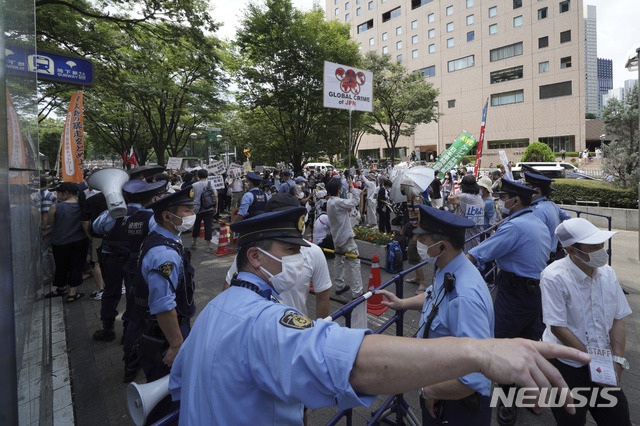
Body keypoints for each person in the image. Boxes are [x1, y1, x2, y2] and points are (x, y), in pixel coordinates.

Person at [169, 206, 592, 425]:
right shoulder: (265, 321)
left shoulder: (214, 310)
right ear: (256, 257)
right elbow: (350, 361)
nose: (301, 261)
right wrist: (480, 353)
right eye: (291, 252)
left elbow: (180, 381)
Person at [377, 206, 494, 425]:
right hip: (441, 388)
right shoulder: (448, 267)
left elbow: (475, 375)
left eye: (422, 239)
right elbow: (435, 298)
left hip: (456, 402)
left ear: (442, 246)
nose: (416, 243)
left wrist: (429, 391)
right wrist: (402, 303)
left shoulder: (464, 297)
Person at [466, 179, 551, 426]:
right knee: (527, 343)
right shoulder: (535, 220)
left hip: (515, 293)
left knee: (499, 345)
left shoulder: (514, 227)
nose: (501, 202)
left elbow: (479, 253)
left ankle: (504, 400)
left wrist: (452, 270)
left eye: (504, 197)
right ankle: (531, 394)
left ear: (515, 201)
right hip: (533, 293)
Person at [541, 218, 632, 426]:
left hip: (604, 361)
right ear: (572, 250)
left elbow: (618, 318)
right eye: (594, 247)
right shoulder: (553, 277)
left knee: (618, 418)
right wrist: (594, 365)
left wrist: (617, 361)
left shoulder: (608, 274)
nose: (602, 250)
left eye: (602, 245)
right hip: (567, 365)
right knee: (571, 420)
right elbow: (558, 327)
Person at [130, 186, 197, 387]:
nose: (192, 215)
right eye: (187, 210)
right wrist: (176, 344)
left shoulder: (165, 237)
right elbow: (163, 305)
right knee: (169, 388)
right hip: (164, 333)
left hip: (166, 327)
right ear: (167, 216)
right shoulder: (164, 254)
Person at [224, 193, 331, 319]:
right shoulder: (256, 252)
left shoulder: (314, 252)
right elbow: (229, 284)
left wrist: (318, 332)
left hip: (297, 331)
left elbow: (323, 297)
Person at [91, 179, 150, 342]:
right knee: (134, 294)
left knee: (110, 292)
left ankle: (107, 328)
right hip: (136, 261)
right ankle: (129, 330)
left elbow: (96, 228)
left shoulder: (111, 212)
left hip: (112, 258)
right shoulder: (149, 215)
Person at [122, 181, 169, 382]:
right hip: (146, 272)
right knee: (146, 316)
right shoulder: (151, 220)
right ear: (155, 199)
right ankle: (138, 359)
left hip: (131, 268)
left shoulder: (127, 216)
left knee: (134, 313)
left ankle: (129, 357)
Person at [45, 182, 90, 302]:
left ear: (66, 193)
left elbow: (53, 224)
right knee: (76, 266)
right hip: (80, 241)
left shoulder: (55, 207)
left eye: (59, 192)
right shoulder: (83, 206)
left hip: (60, 242)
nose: (57, 195)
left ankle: (61, 288)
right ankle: (73, 293)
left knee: (61, 266)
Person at [326, 176, 363, 298]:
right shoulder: (337, 202)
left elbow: (346, 208)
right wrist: (352, 188)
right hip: (346, 237)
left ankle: (339, 286)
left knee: (339, 261)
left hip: (336, 237)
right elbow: (355, 201)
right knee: (355, 262)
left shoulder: (330, 201)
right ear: (338, 190)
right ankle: (357, 291)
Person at [523, 172, 571, 261]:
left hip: (542, 258)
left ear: (537, 190)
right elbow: (568, 219)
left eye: (527, 187)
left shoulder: (536, 210)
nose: (524, 190)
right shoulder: (552, 205)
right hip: (553, 254)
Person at [448, 175, 485, 252]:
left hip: (467, 231)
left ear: (464, 186)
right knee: (475, 250)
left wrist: (450, 194)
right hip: (477, 229)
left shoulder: (464, 197)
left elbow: (450, 200)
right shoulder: (478, 196)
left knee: (467, 252)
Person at [190, 169, 218, 252]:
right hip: (208, 208)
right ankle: (208, 246)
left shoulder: (194, 185)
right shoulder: (210, 183)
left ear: (197, 176)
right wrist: (216, 206)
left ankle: (194, 243)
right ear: (207, 176)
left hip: (197, 208)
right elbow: (215, 195)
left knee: (196, 226)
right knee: (208, 226)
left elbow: (191, 197)